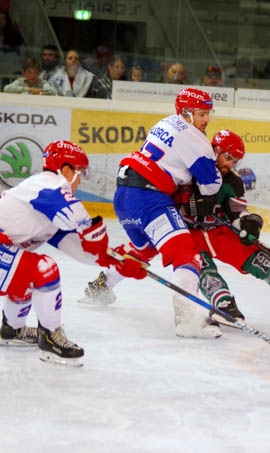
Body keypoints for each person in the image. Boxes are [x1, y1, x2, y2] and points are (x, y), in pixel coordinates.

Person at [82, 130, 270, 326]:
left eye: (235, 160)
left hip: (218, 232)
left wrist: (249, 222)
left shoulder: (232, 181)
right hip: (185, 232)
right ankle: (223, 305)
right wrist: (184, 206)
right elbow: (165, 195)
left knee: (259, 259)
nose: (230, 164)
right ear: (215, 149)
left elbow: (236, 213)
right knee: (173, 259)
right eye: (228, 156)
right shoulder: (189, 167)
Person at [0, 140, 138, 367]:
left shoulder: (50, 205)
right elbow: (81, 222)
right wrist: (93, 233)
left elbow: (81, 249)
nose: (80, 181)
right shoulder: (48, 184)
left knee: (26, 273)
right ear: (67, 169)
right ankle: (50, 339)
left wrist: (115, 260)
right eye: (80, 173)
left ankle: (12, 331)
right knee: (43, 269)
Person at [106, 87, 224, 338]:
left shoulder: (165, 122)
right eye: (202, 114)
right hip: (148, 198)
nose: (206, 120)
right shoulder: (195, 139)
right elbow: (211, 185)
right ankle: (187, 319)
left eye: (208, 114)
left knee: (145, 248)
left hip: (125, 194)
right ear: (186, 113)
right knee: (186, 254)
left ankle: (100, 286)